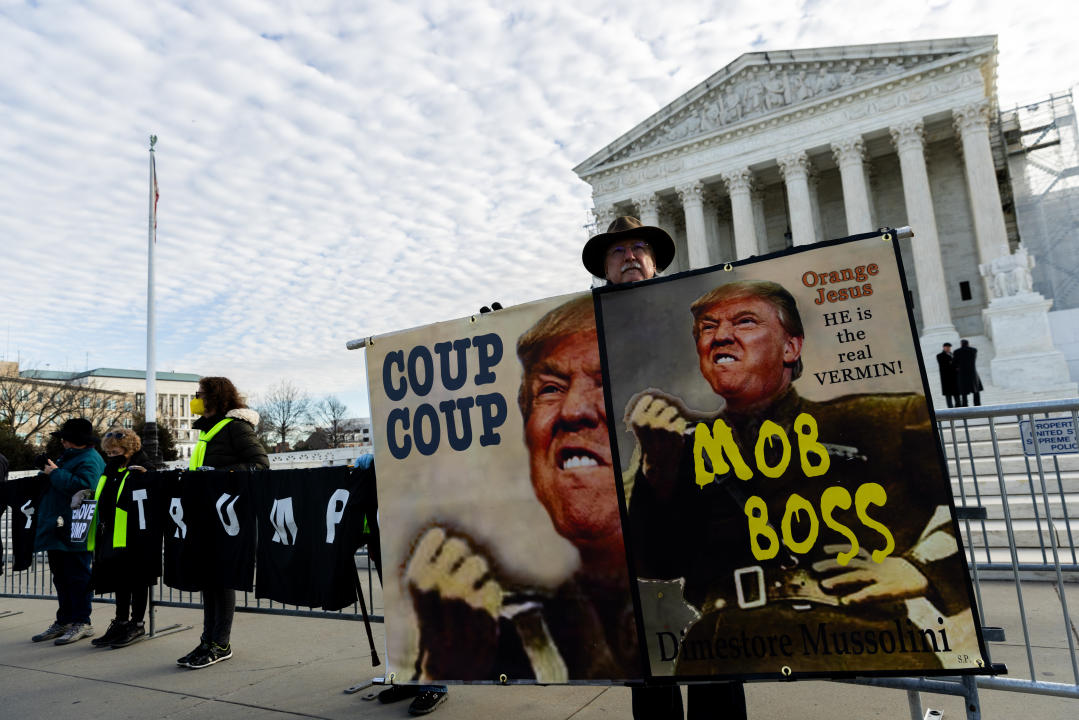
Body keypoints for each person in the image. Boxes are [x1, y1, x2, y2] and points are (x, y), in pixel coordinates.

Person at [625, 280, 968, 675]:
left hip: (862, 639)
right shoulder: (681, 446)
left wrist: (921, 568)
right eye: (708, 327)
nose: (721, 336)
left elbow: (966, 510)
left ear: (791, 348)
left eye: (745, 322)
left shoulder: (885, 420)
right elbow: (654, 565)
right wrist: (657, 470)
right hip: (724, 646)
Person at [405, 294, 640, 683]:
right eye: (549, 388)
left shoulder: (705, 554)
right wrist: (445, 665)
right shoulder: (494, 607)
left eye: (604, 384)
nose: (573, 410)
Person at [587, 217, 743, 719]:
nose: (631, 256)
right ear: (604, 266)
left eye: (640, 248)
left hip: (704, 482)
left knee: (714, 643)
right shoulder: (584, 319)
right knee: (650, 645)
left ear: (654, 260)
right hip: (632, 499)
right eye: (619, 252)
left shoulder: (694, 309)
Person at [176, 376, 268, 669]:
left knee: (222, 580)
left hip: (228, 518)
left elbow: (260, 464)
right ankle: (207, 640)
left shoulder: (235, 428)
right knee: (209, 580)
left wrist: (215, 473)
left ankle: (221, 643)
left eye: (200, 394)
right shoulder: (209, 431)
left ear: (216, 397)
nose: (196, 398)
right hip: (207, 515)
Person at [31, 417, 105, 645]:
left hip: (77, 526)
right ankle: (64, 620)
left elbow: (86, 488)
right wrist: (46, 472)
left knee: (78, 576)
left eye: (64, 438)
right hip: (60, 525)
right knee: (61, 577)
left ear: (73, 440)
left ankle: (82, 621)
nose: (61, 441)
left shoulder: (90, 459)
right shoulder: (69, 456)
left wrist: (54, 473)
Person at [88, 427, 156, 648]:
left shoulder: (143, 466)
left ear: (128, 449)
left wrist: (148, 478)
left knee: (137, 579)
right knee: (119, 579)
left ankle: (136, 623)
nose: (111, 456)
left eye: (115, 452)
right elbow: (104, 494)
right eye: (109, 452)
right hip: (113, 532)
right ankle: (121, 621)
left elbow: (154, 492)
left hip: (136, 534)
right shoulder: (112, 468)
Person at [954, 339, 982, 407]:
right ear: (968, 344)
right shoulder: (973, 350)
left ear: (961, 344)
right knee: (975, 389)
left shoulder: (957, 352)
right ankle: (977, 404)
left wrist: (957, 367)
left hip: (962, 373)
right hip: (972, 373)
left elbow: (955, 362)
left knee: (964, 391)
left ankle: (965, 405)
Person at [936, 343, 960, 408]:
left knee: (957, 396)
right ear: (944, 347)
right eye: (947, 347)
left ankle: (958, 409)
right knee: (948, 396)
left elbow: (956, 364)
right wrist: (953, 364)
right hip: (946, 379)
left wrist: (953, 364)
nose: (948, 348)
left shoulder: (952, 355)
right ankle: (951, 411)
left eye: (949, 347)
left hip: (954, 379)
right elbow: (945, 365)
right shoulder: (940, 355)